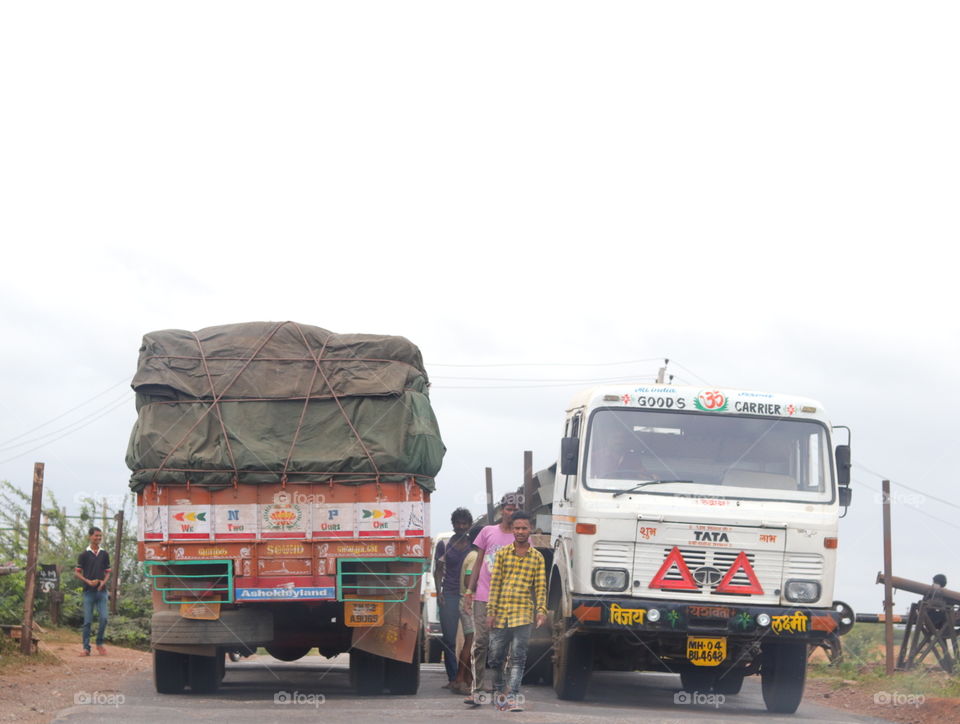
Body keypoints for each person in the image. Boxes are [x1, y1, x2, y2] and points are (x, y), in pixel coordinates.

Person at [484, 511, 547, 712]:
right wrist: (491, 611)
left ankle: (512, 697)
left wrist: (541, 611)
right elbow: (495, 585)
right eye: (517, 528)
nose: (520, 531)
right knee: (495, 658)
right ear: (512, 530)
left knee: (518, 658)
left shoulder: (537, 558)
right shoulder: (502, 554)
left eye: (524, 528)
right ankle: (500, 691)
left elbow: (540, 587)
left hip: (523, 614)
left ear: (530, 530)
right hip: (501, 613)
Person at [462, 493, 519, 706]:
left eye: (515, 510)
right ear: (502, 510)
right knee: (480, 643)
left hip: (508, 599)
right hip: (483, 596)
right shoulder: (487, 532)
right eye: (508, 509)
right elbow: (478, 563)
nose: (511, 513)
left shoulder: (521, 537)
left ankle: (500, 689)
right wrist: (470, 591)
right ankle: (476, 690)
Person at [434, 507, 474, 687]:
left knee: (471, 640)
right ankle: (452, 678)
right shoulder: (443, 544)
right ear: (453, 524)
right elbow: (438, 571)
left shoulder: (474, 545)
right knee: (449, 639)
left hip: (468, 596)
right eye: (458, 523)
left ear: (469, 525)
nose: (461, 526)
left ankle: (467, 677)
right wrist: (439, 593)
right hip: (449, 595)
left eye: (464, 523)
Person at [75, 526, 111, 656]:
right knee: (88, 621)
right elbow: (77, 572)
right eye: (96, 535)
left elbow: (108, 572)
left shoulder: (104, 554)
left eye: (100, 536)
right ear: (90, 537)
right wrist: (87, 581)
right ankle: (86, 648)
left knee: (104, 618)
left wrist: (103, 582)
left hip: (102, 592)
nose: (98, 538)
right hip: (88, 592)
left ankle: (99, 643)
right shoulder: (84, 555)